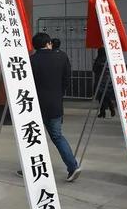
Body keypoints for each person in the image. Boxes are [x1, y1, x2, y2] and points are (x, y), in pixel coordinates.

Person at [21, 32, 81, 182]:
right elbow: (67, 78)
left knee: (33, 137)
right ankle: (72, 166)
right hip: (55, 104)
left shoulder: (31, 61)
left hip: (35, 106)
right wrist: (59, 93)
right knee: (57, 136)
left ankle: (31, 168)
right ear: (49, 43)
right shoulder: (61, 57)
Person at [93, 48, 115, 118]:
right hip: (108, 80)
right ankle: (111, 108)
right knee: (106, 96)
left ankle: (103, 112)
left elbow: (94, 69)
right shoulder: (109, 59)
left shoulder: (99, 59)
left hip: (100, 80)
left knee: (100, 96)